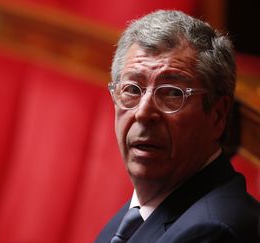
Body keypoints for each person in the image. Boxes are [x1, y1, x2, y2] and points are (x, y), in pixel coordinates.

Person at [96, 10, 260, 243]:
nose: (143, 113)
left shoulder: (213, 232)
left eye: (173, 93)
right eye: (132, 89)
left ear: (217, 114)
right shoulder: (141, 210)